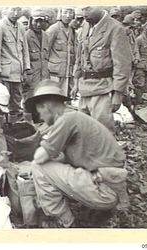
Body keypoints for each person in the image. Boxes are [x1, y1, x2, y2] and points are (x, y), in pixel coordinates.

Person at [24, 79, 129, 228]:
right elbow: (67, 155)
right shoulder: (74, 116)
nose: (40, 117)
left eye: (40, 112)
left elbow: (40, 157)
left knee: (38, 167)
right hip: (112, 183)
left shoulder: (66, 120)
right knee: (55, 163)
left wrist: (41, 151)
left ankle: (65, 222)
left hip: (105, 190)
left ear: (46, 106)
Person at [72, 6, 132, 133]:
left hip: (103, 89)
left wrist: (118, 94)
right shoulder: (86, 26)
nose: (84, 13)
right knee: (84, 130)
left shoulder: (115, 28)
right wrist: (76, 82)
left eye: (88, 8)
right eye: (82, 9)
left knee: (102, 132)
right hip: (85, 88)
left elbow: (122, 64)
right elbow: (80, 56)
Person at [0, 7, 30, 120]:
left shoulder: (21, 27)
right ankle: (1, 129)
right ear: (6, 9)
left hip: (18, 73)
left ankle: (15, 128)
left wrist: (26, 69)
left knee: (16, 102)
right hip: (5, 72)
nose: (16, 13)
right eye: (13, 10)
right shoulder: (0, 26)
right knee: (2, 102)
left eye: (18, 10)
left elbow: (25, 50)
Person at [46, 7, 75, 97]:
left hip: (66, 71)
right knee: (52, 95)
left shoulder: (71, 30)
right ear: (60, 14)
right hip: (54, 71)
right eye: (66, 12)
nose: (68, 16)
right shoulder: (54, 29)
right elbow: (46, 49)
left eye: (70, 13)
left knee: (63, 96)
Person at [23, 9, 49, 100]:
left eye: (41, 21)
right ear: (31, 20)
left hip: (43, 78)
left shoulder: (45, 35)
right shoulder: (26, 36)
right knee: (29, 105)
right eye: (36, 21)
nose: (38, 24)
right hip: (31, 79)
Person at [133, 18, 147, 103]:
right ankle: (138, 103)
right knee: (139, 84)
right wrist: (137, 62)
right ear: (145, 27)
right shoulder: (139, 39)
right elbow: (136, 51)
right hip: (141, 65)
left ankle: (144, 104)